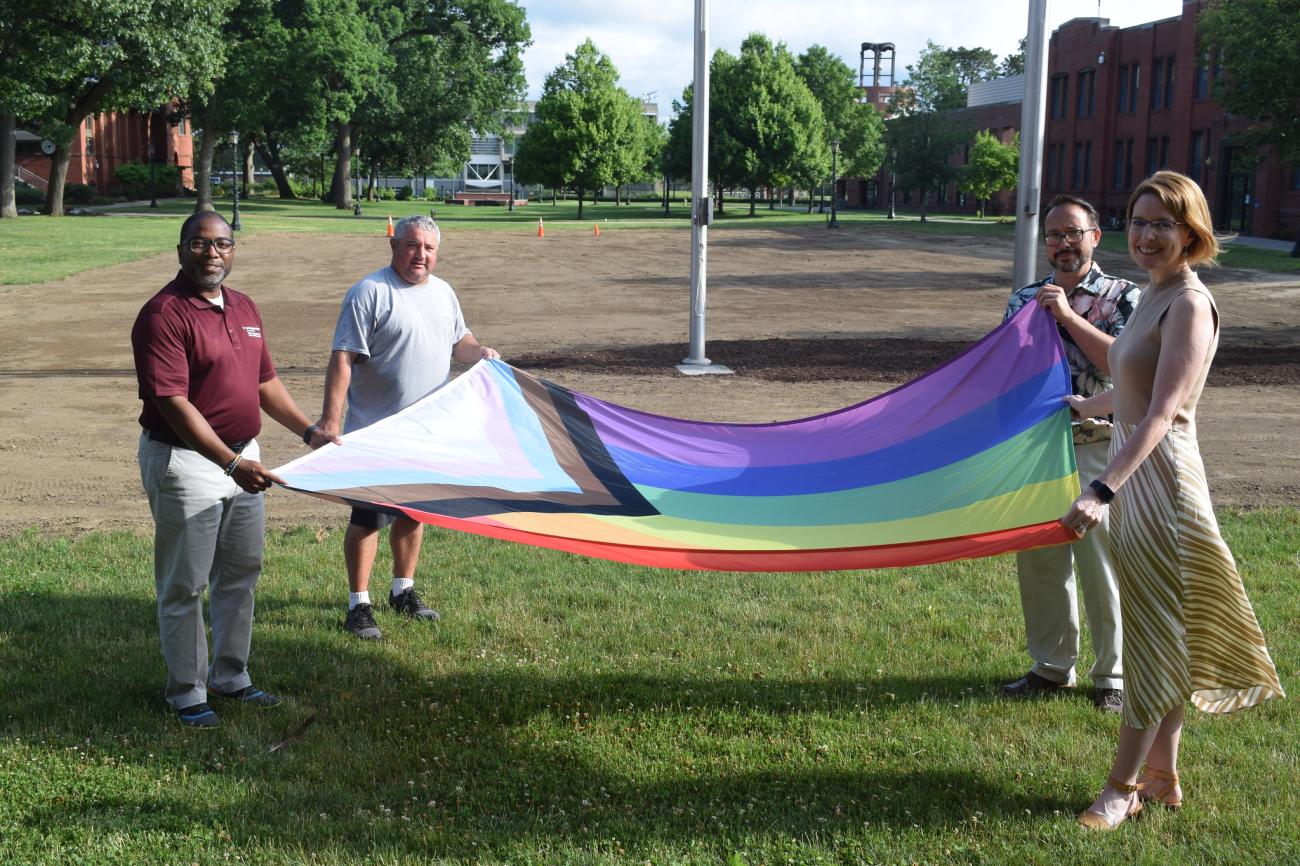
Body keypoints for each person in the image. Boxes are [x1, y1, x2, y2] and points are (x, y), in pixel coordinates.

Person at [1063, 171, 1285, 830]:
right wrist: (1090, 404)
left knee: (1156, 642)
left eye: (1163, 223)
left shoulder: (1189, 303)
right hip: (1141, 478)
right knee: (1166, 637)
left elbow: (1163, 412)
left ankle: (1120, 787)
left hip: (1161, 485)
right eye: (1138, 221)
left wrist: (1102, 487)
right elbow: (1132, 382)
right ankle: (1160, 776)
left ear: (1192, 231)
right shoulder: (1156, 295)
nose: (1148, 235)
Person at [132, 212, 337, 728]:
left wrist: (308, 432)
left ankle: (231, 677)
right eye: (199, 245)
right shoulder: (164, 314)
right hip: (188, 462)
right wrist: (230, 462)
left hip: (246, 456)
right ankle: (187, 693)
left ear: (233, 250)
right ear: (181, 250)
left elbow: (264, 383)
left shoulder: (244, 307)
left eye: (221, 244)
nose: (212, 254)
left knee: (240, 574)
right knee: (185, 583)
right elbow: (174, 402)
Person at [317, 216, 498, 640]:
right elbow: (344, 358)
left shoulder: (443, 293)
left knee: (414, 512)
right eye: (412, 245)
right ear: (394, 244)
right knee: (369, 517)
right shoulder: (370, 292)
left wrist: (480, 353)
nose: (421, 255)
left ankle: (403, 590)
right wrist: (331, 419)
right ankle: (358, 605)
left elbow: (460, 342)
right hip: (376, 432)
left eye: (429, 248)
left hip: (426, 432)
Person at [1001, 194, 1140, 713]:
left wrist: (1065, 315)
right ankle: (1051, 666)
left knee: (1101, 562)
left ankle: (1113, 675)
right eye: (1054, 235)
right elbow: (1007, 374)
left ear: (1095, 237)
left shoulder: (1126, 297)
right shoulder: (1023, 300)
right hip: (1038, 451)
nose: (1062, 244)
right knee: (1040, 562)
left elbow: (1127, 369)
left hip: (1100, 448)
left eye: (1073, 233)